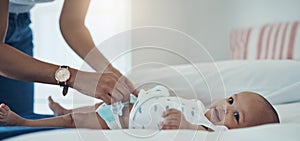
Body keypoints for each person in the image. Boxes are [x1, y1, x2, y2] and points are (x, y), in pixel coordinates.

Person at [0, 0, 135, 114]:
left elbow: (73, 24)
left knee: (17, 120)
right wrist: (72, 78)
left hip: (21, 23)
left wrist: (108, 70)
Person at [0, 85, 280, 130]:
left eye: (236, 116)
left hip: (120, 122)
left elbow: (193, 130)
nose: (226, 108)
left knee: (76, 122)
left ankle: (23, 122)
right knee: (97, 104)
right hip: (132, 105)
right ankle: (64, 111)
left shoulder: (207, 128)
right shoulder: (198, 104)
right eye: (231, 101)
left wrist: (182, 124)